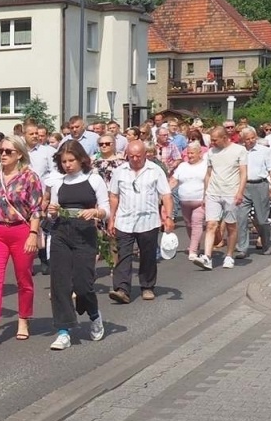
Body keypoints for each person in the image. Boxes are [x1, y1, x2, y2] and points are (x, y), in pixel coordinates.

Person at [0, 134, 42, 347]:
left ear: (19, 154)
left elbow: (36, 209)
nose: (3, 155)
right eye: (1, 151)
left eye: (8, 152)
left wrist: (33, 233)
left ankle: (23, 319)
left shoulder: (29, 177)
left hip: (21, 231)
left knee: (24, 278)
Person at [41, 142, 107, 350]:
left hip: (85, 234)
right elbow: (53, 211)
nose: (68, 165)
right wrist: (52, 211)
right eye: (64, 162)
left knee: (83, 285)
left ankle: (94, 315)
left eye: (71, 161)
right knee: (60, 283)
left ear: (81, 159)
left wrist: (95, 213)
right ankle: (63, 331)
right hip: (61, 232)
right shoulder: (58, 183)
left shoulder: (94, 179)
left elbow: (106, 208)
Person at [107, 139, 173, 304]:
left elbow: (166, 195)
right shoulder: (120, 171)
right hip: (124, 219)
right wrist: (111, 218)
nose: (135, 159)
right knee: (124, 255)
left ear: (145, 154)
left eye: (138, 156)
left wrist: (168, 217)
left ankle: (147, 286)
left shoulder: (155, 170)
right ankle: (122, 289)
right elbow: (114, 196)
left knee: (148, 255)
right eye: (131, 156)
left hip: (148, 220)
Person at [201, 126, 249, 270]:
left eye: (215, 140)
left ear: (224, 138)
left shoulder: (239, 150)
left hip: (231, 193)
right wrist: (205, 193)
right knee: (211, 225)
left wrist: (240, 192)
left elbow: (243, 173)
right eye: (211, 140)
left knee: (231, 225)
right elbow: (208, 174)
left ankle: (229, 256)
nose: (212, 143)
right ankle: (207, 257)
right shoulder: (211, 152)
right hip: (213, 193)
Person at [170, 141, 210, 265]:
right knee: (188, 224)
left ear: (200, 153)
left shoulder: (205, 165)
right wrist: (165, 191)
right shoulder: (182, 166)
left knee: (196, 223)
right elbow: (174, 180)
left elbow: (208, 181)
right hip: (184, 201)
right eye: (188, 153)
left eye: (192, 153)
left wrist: (206, 197)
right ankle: (195, 243)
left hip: (199, 200)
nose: (190, 156)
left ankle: (193, 251)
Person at [237, 127, 271, 255]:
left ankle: (265, 244)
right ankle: (242, 248)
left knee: (261, 219)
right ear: (243, 140)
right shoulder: (239, 151)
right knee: (242, 218)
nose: (251, 141)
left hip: (260, 185)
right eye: (247, 139)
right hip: (243, 186)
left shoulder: (265, 151)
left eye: (253, 138)